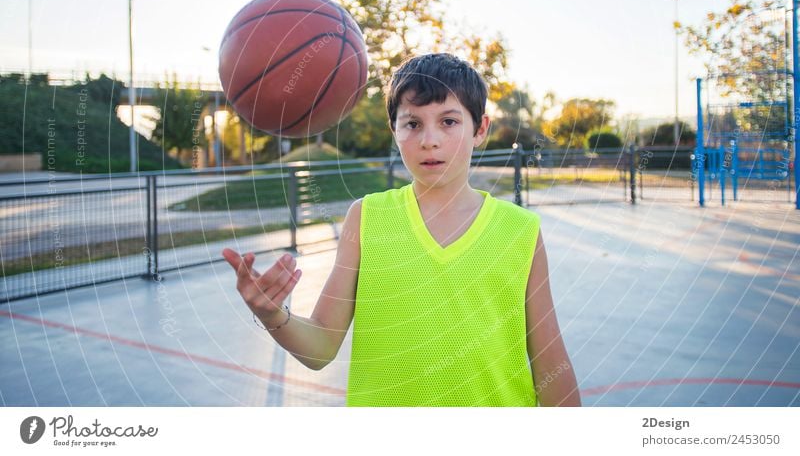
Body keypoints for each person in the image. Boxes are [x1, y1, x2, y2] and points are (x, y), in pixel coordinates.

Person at [223, 53, 581, 407]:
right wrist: (273, 316)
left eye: (449, 122)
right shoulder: (366, 218)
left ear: (481, 129)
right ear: (394, 131)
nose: (429, 140)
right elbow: (320, 347)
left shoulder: (520, 230)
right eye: (412, 124)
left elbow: (551, 363)